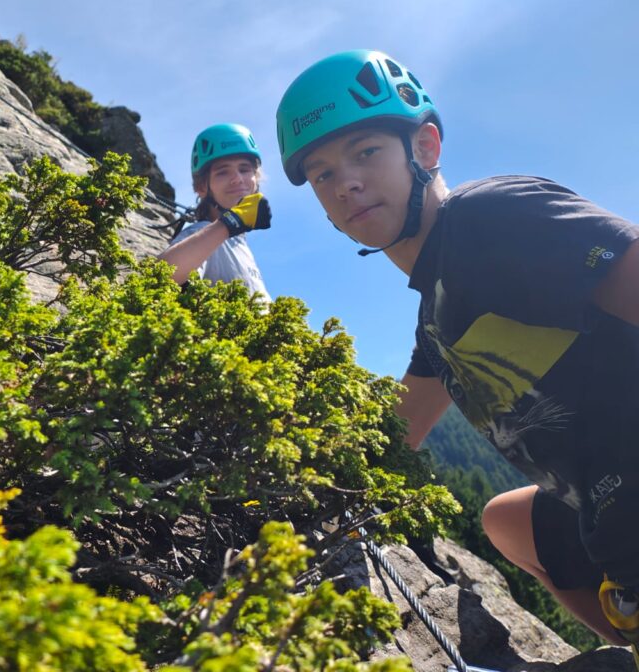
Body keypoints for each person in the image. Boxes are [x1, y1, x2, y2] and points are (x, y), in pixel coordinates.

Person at [274, 49, 639, 658]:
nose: (347, 184)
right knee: (506, 522)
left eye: (366, 152)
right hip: (616, 535)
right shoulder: (436, 323)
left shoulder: (492, 217)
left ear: (425, 147)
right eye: (323, 175)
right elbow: (391, 437)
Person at [159, 123, 271, 297]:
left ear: (256, 178)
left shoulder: (239, 244)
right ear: (202, 187)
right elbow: (161, 276)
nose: (237, 179)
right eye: (222, 172)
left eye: (244, 169)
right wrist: (230, 223)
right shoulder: (203, 232)